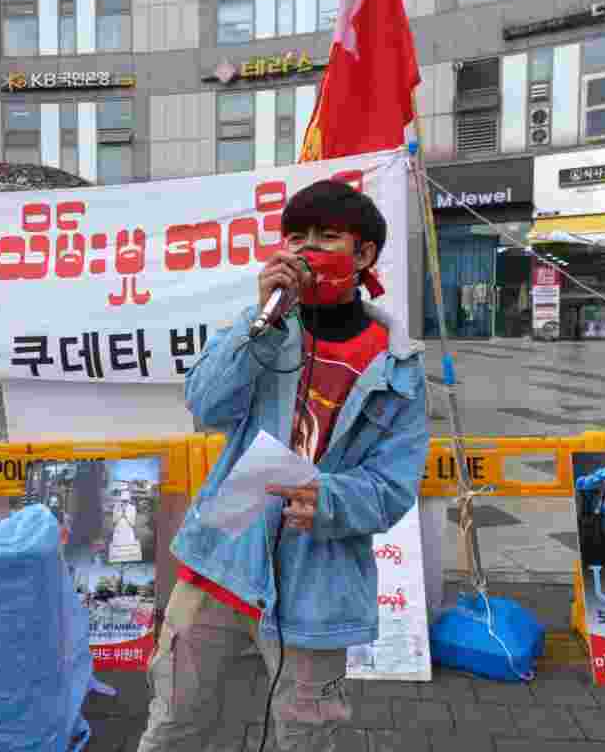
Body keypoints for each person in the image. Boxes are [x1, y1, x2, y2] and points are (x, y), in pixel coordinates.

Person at [136, 180, 428, 752]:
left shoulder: (397, 367)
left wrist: (331, 498)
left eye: (327, 237)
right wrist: (260, 325)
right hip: (226, 544)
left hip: (318, 566)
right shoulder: (266, 325)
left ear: (363, 254)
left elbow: (393, 487)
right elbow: (205, 404)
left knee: (305, 732)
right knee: (174, 718)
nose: (307, 250)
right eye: (296, 236)